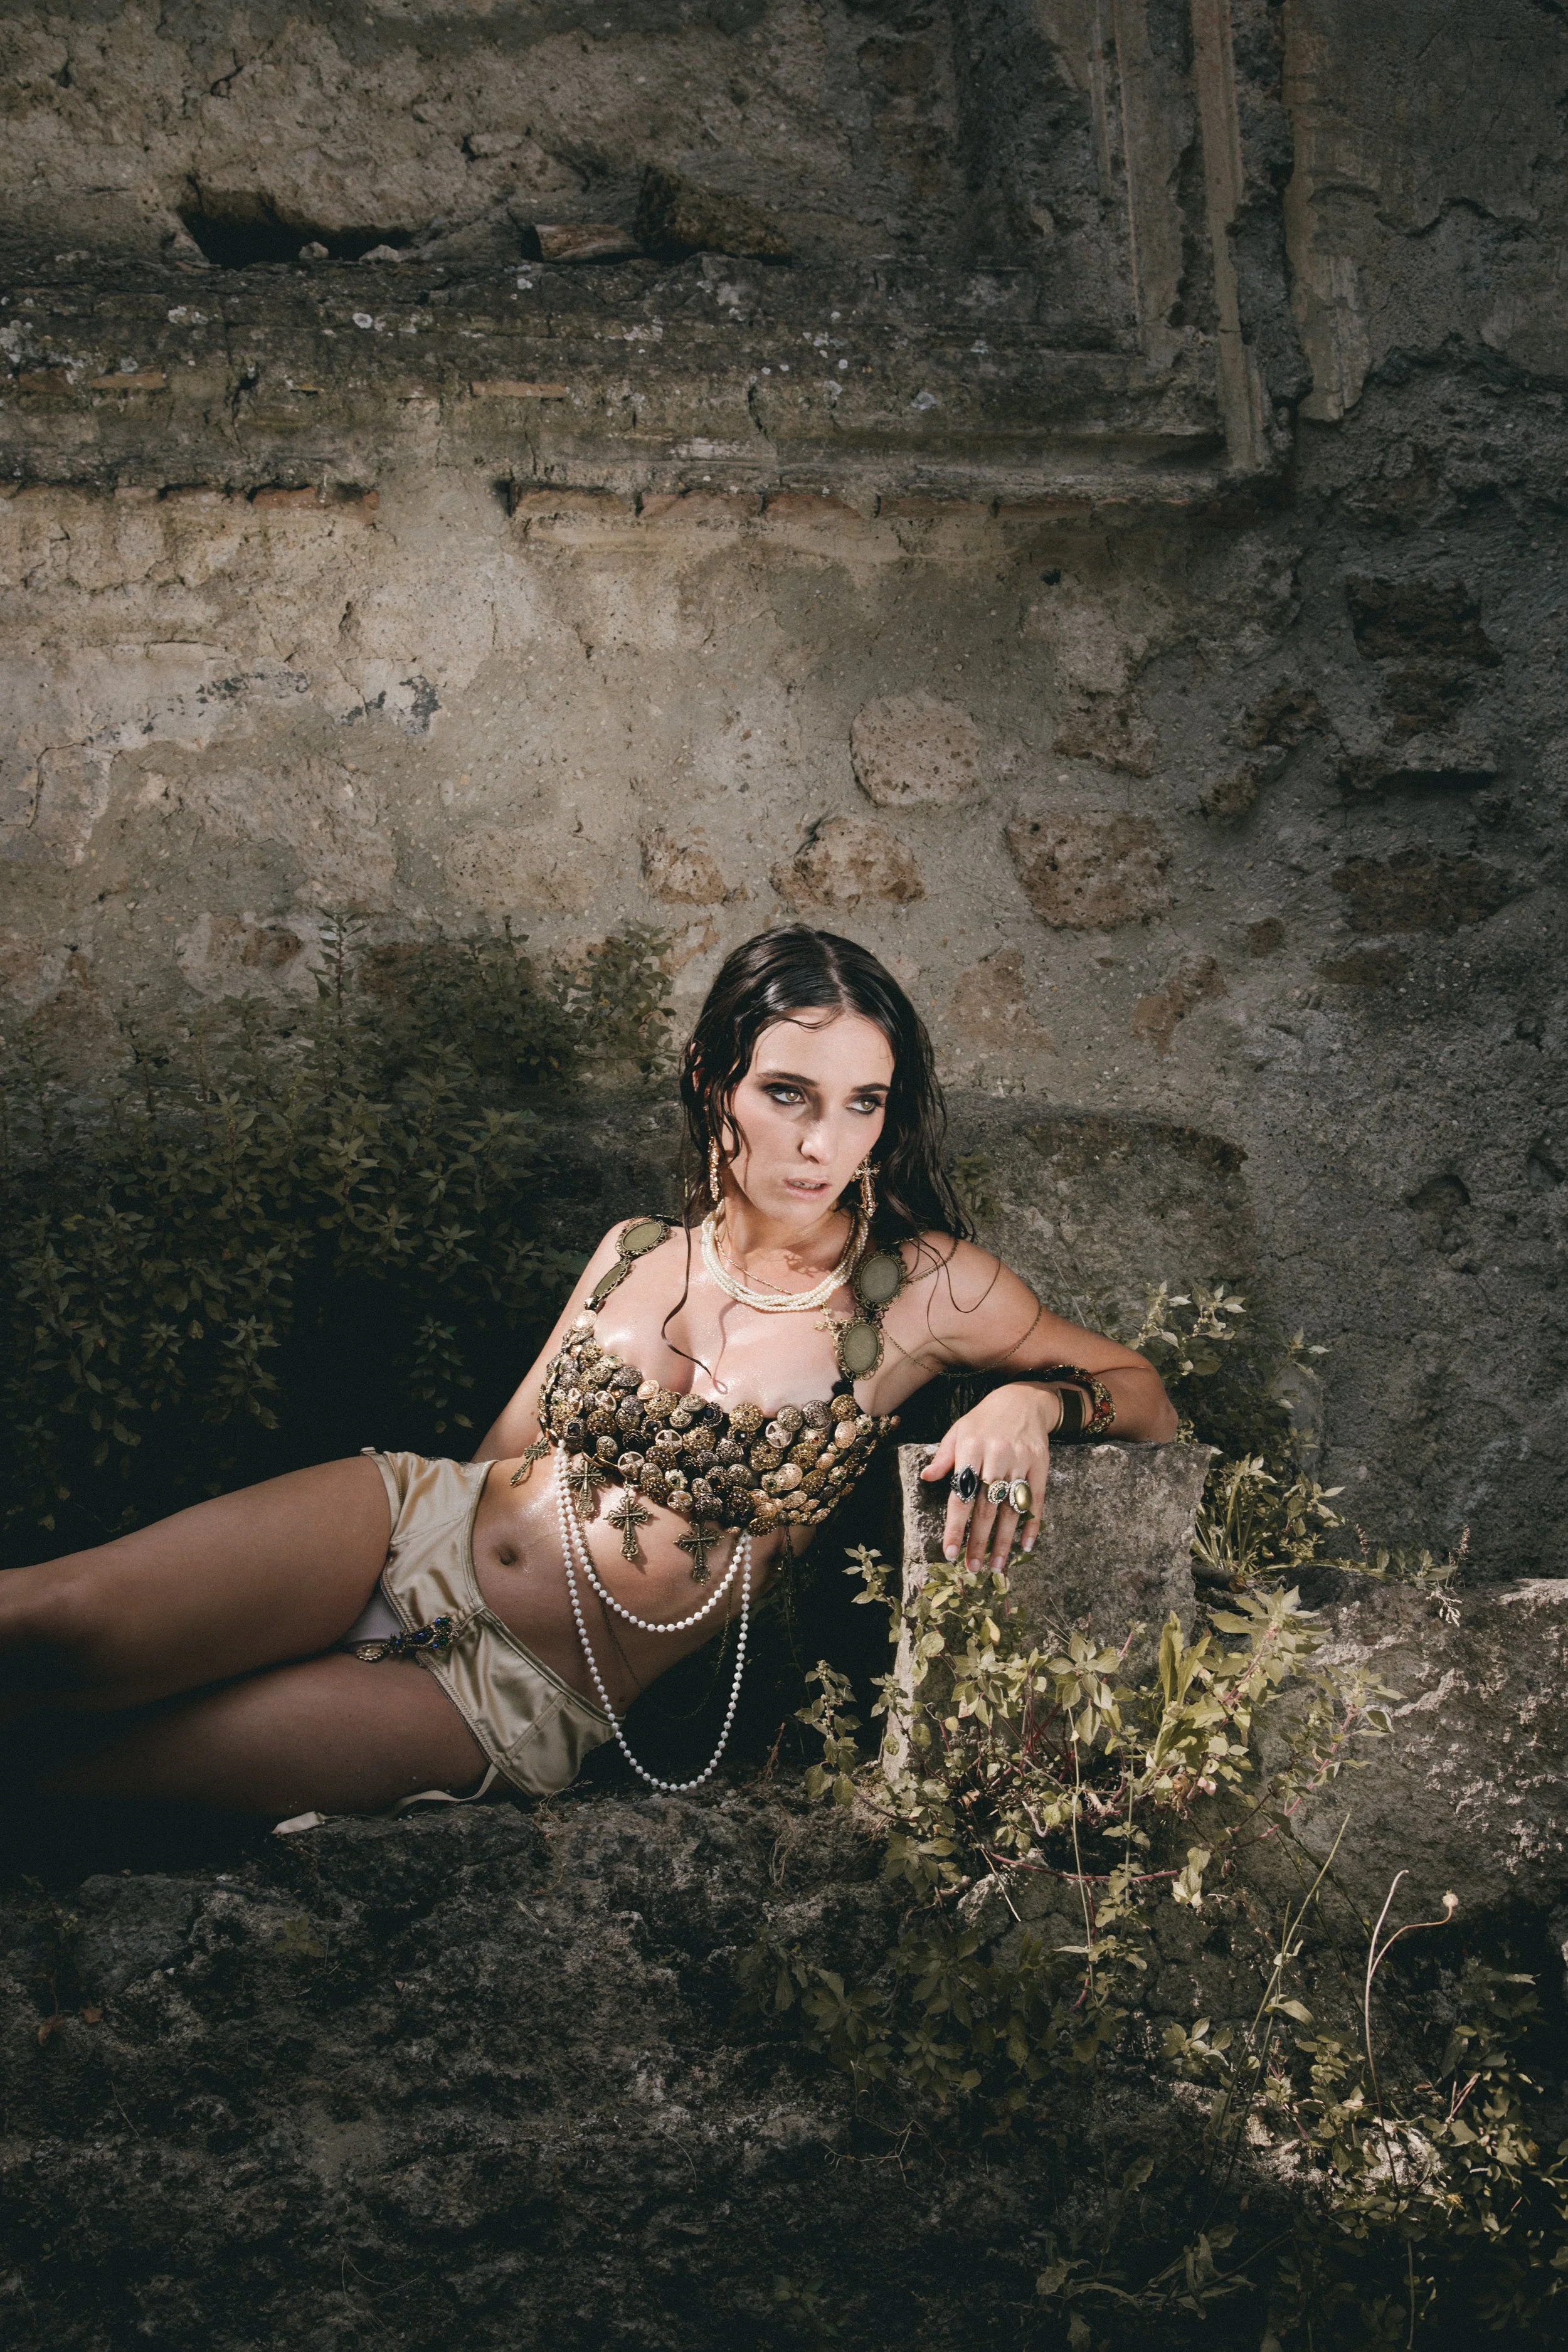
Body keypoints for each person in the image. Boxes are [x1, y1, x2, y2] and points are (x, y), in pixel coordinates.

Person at [0, 927, 1177, 1820]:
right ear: (718, 1077)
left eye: (861, 1103)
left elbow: (1150, 1396)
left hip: (510, 1695)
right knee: (56, 1619)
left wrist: (1036, 1398)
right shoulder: (631, 1254)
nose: (824, 1142)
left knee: (94, 1772)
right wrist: (350, 1621)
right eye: (789, 1093)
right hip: (404, 1528)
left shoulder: (927, 1288)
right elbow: (497, 1460)